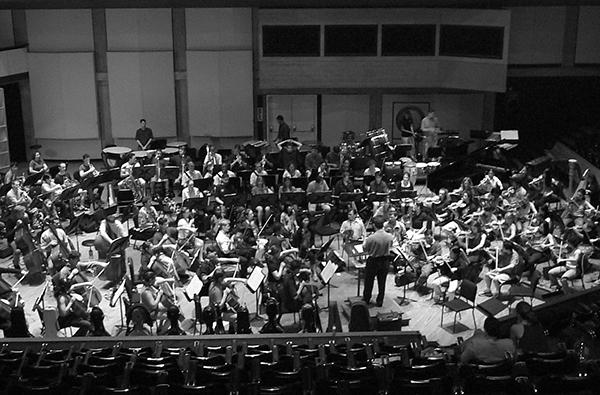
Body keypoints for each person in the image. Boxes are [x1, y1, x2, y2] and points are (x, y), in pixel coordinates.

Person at [362, 216, 394, 307]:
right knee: (382, 282)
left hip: (373, 261)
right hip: (385, 261)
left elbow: (365, 249)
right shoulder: (389, 236)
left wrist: (365, 240)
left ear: (374, 225)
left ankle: (367, 299)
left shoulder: (371, 238)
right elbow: (390, 245)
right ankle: (380, 301)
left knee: (369, 281)